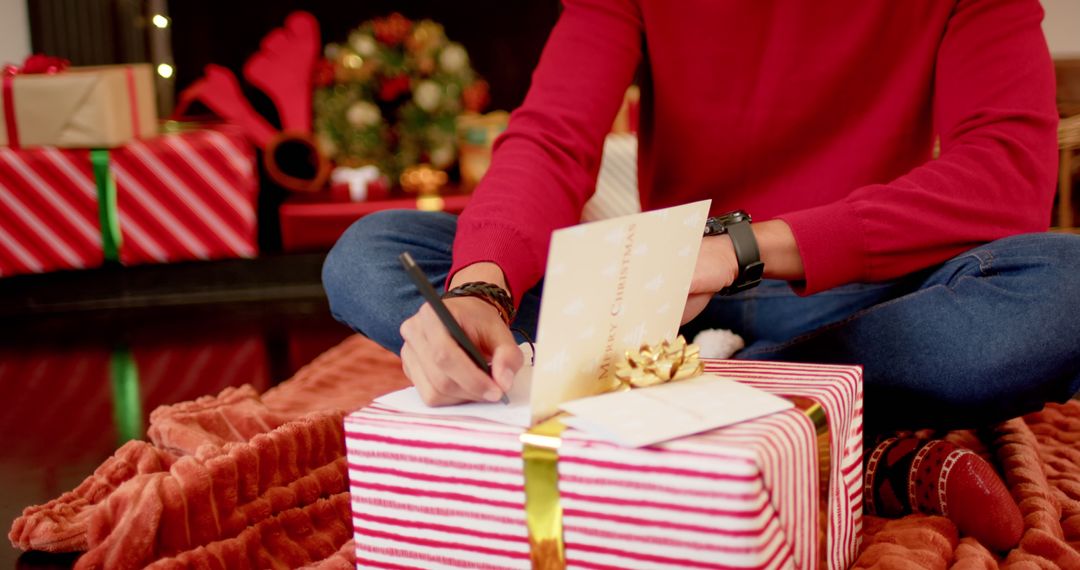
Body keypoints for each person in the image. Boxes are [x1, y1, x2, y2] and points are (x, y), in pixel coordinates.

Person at [323, 0, 1080, 433]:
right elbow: (552, 137)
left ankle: (663, 401)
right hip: (657, 302)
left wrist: (737, 248)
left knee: (1065, 288)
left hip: (866, 293)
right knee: (375, 251)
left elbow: (1007, 172)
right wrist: (482, 289)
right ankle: (793, 408)